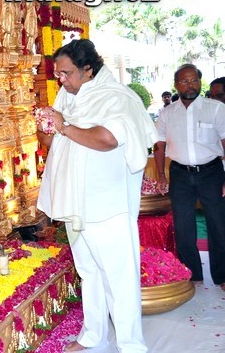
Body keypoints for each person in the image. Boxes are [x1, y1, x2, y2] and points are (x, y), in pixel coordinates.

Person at [37, 39, 157, 352]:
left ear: (88, 70)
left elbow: (107, 138)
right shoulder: (69, 94)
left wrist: (63, 126)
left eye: (65, 73)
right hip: (75, 204)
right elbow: (51, 142)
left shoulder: (116, 97)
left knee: (118, 277)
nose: (59, 80)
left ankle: (132, 344)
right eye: (57, 74)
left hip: (106, 205)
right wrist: (46, 126)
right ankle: (94, 336)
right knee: (88, 273)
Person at [154, 64, 225, 292]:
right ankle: (192, 275)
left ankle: (222, 276)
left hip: (212, 173)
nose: (190, 85)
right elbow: (159, 144)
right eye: (184, 81)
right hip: (180, 174)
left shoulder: (214, 109)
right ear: (176, 85)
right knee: (183, 226)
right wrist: (161, 175)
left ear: (200, 82)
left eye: (194, 80)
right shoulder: (167, 112)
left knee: (218, 224)